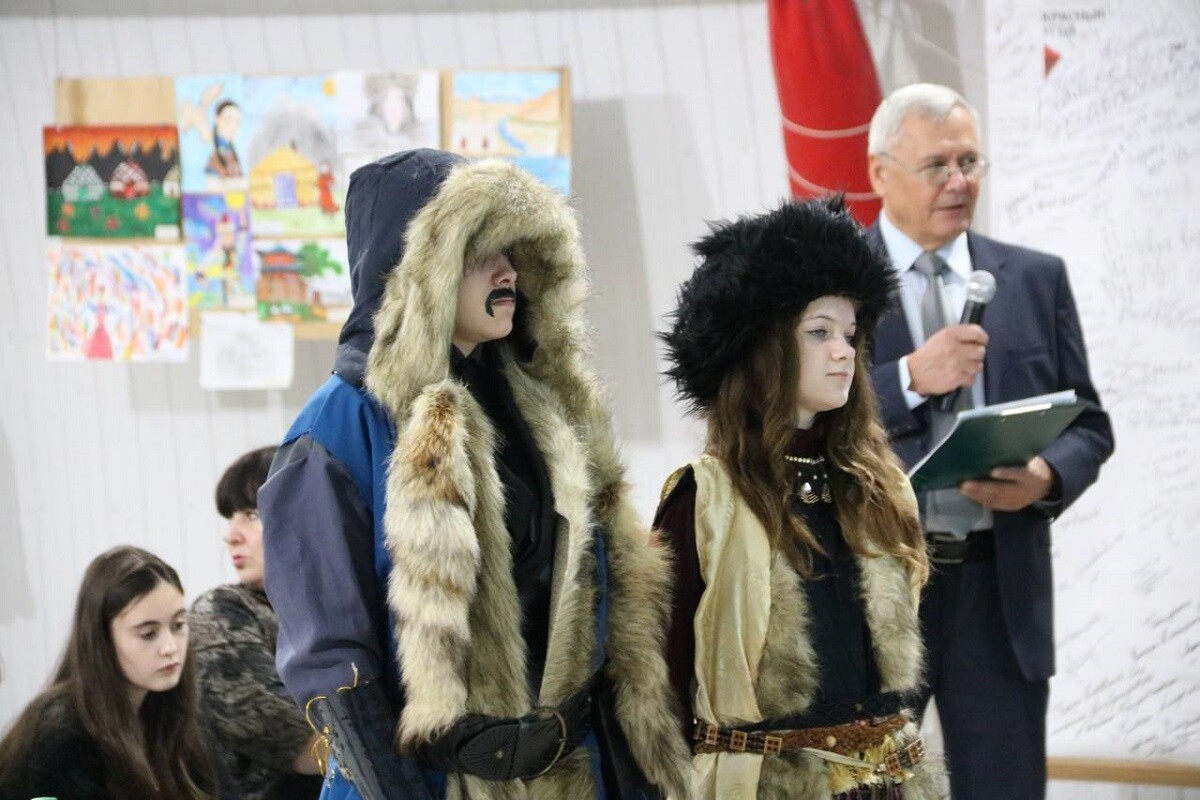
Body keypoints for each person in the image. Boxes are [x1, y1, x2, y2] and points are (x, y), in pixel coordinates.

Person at [258, 148, 691, 799]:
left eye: (511, 249)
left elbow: (598, 612)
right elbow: (332, 663)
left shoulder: (544, 410)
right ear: (414, 268)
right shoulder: (337, 426)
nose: (507, 269)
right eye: (479, 251)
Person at [864, 83, 1115, 799]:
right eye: (936, 166)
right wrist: (908, 378)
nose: (959, 182)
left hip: (998, 591)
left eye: (969, 162)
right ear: (881, 173)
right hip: (878, 591)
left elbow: (1089, 424)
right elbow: (792, 420)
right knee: (866, 789)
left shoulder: (1034, 279)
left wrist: (1047, 475)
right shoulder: (831, 286)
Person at [657, 196, 940, 799]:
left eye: (851, 334)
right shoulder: (705, 501)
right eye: (819, 332)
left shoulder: (880, 491)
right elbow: (662, 686)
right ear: (762, 346)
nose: (844, 351)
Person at [0, 545, 227, 800]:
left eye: (178, 625)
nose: (171, 647)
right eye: (148, 634)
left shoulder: (180, 713)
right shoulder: (60, 735)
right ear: (103, 640)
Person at [190, 446, 324, 800]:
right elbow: (303, 745)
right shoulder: (223, 611)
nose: (231, 534)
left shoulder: (333, 607)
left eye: (251, 514)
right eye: (231, 517)